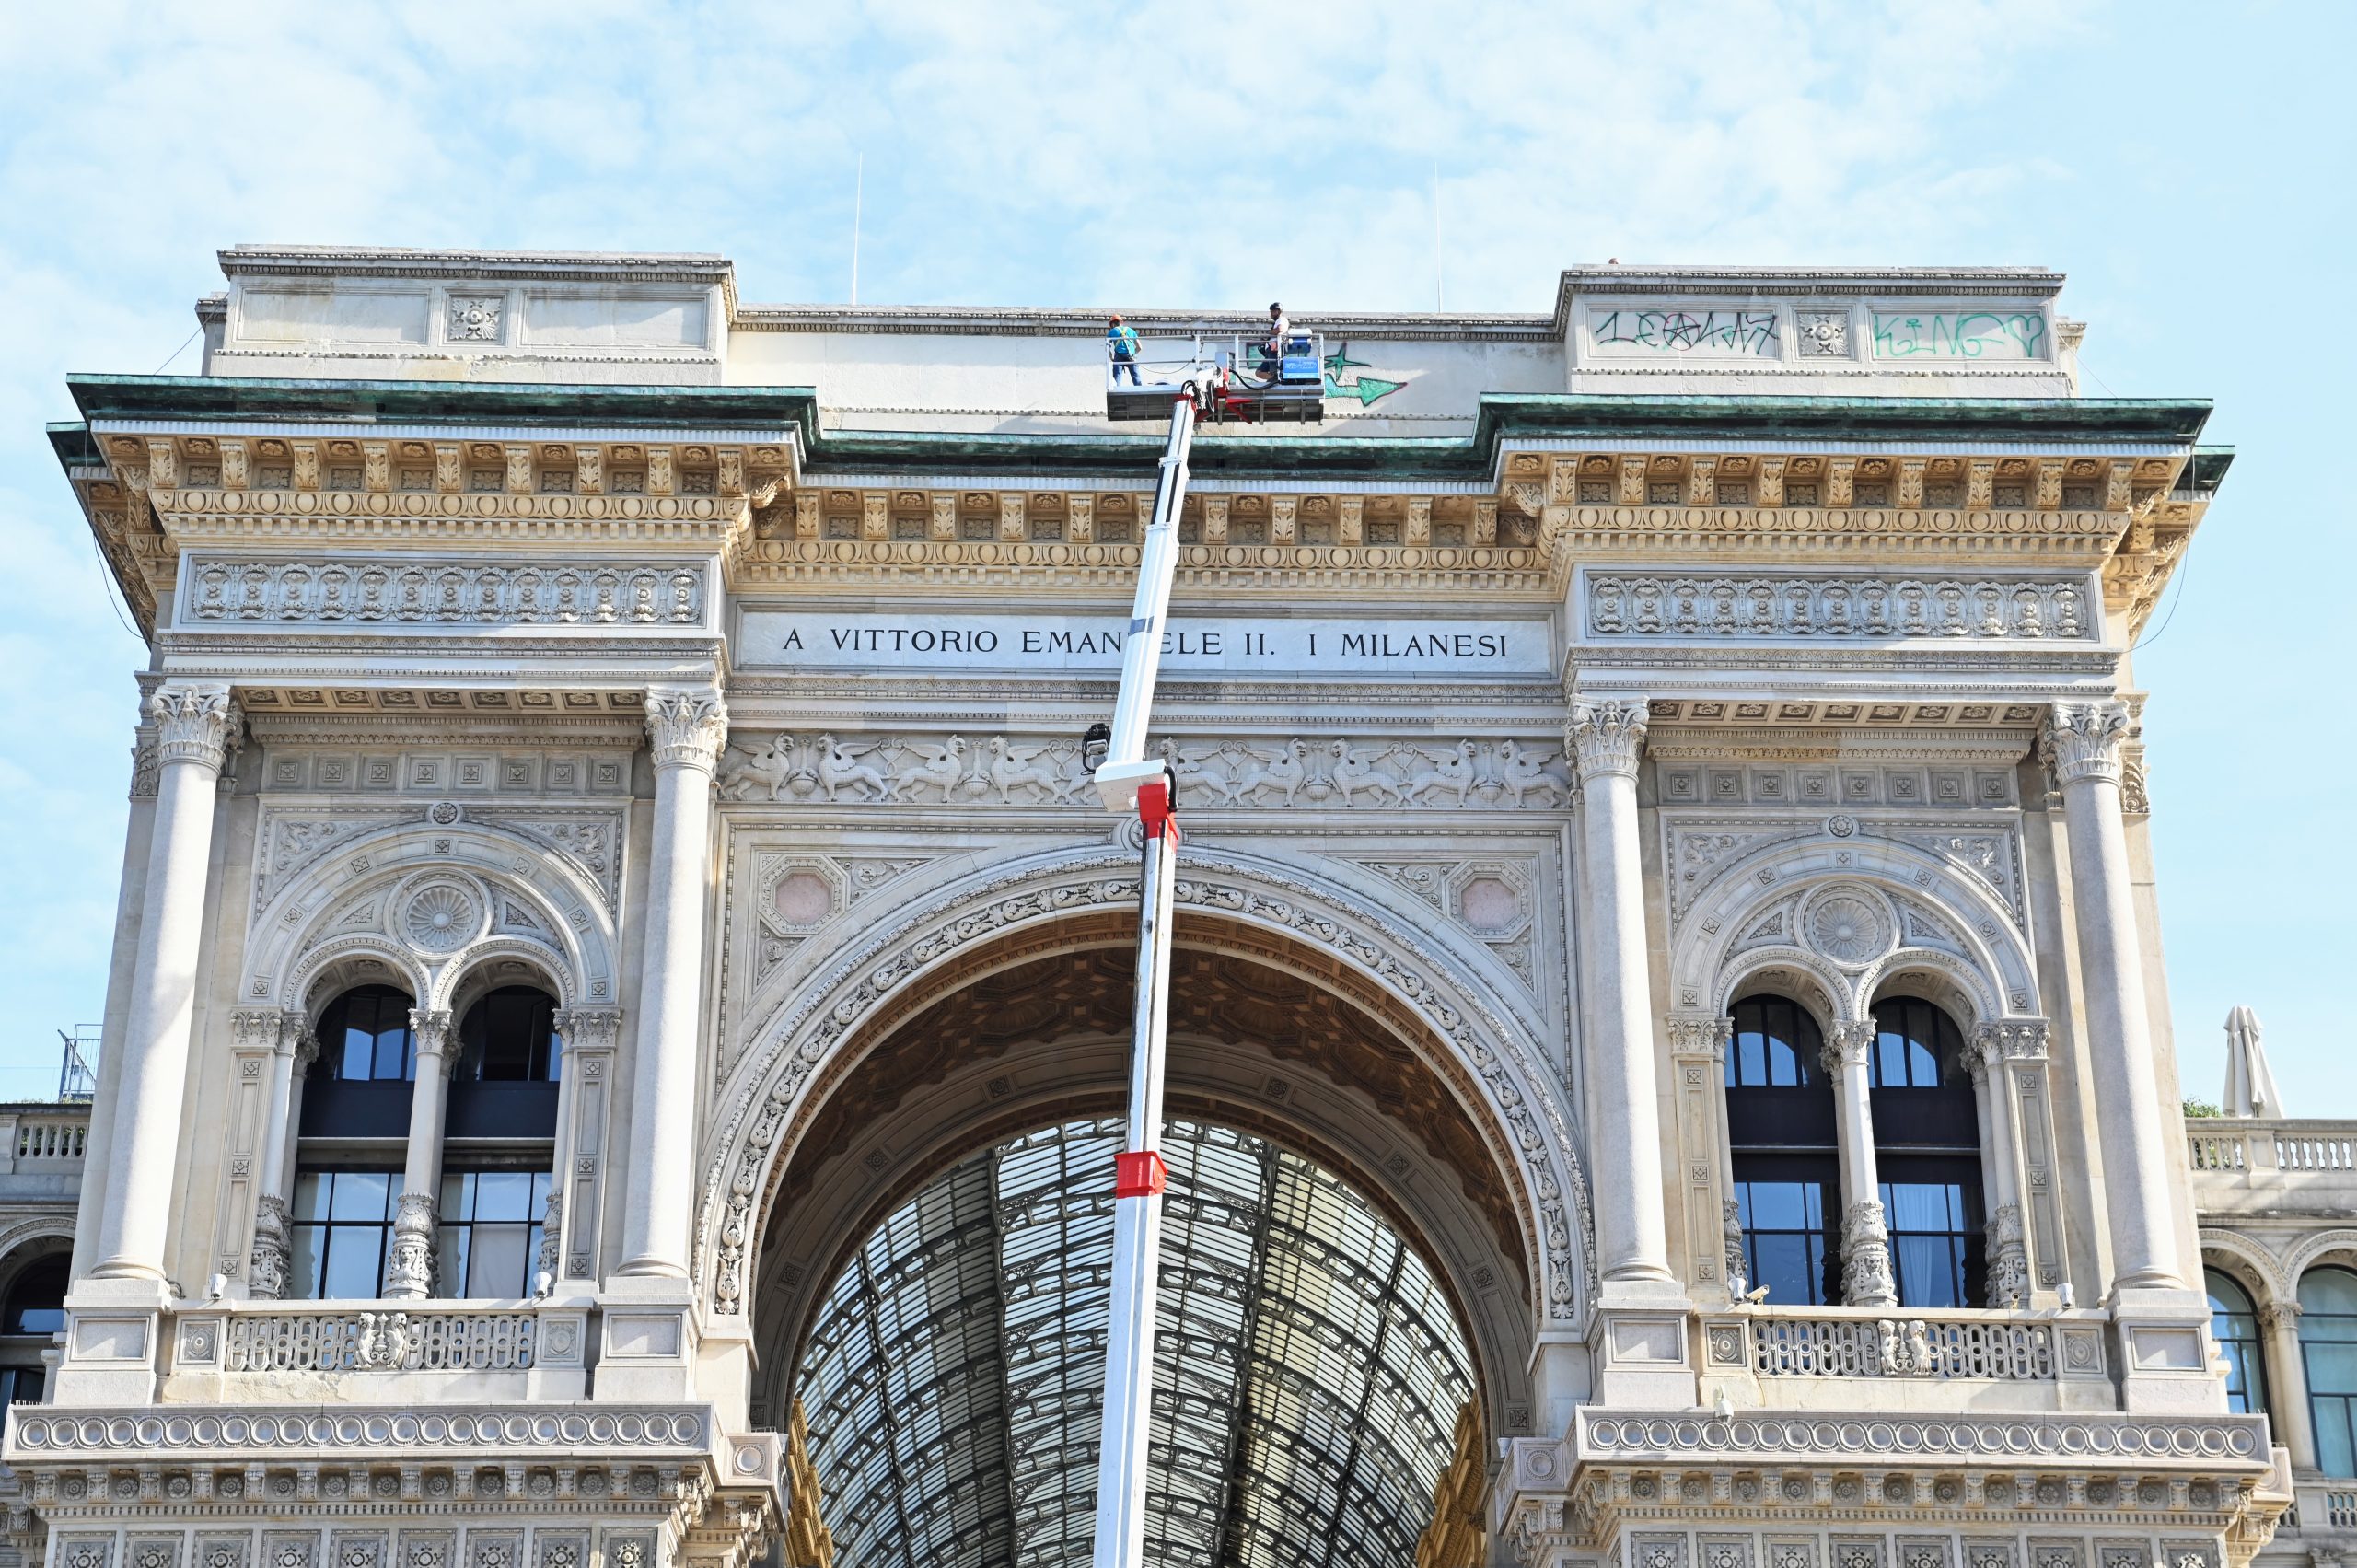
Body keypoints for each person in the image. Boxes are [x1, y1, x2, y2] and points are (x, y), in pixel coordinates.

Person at [1107, 314, 1141, 385]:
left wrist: (1111, 358)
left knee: (1117, 376)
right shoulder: (1131, 330)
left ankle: (1116, 390)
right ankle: (1139, 389)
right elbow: (1139, 347)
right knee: (1136, 376)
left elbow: (1107, 349)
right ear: (1121, 322)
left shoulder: (1111, 332)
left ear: (1112, 324)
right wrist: (1133, 354)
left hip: (1119, 356)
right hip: (1130, 356)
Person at [1259, 302, 1289, 377]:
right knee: (1259, 373)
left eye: (1272, 311)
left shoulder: (1281, 319)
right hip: (1271, 350)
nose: (1271, 313)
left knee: (1274, 372)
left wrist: (1268, 334)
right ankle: (1273, 381)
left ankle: (1275, 381)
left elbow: (1279, 329)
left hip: (1274, 350)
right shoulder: (1278, 321)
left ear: (1278, 311)